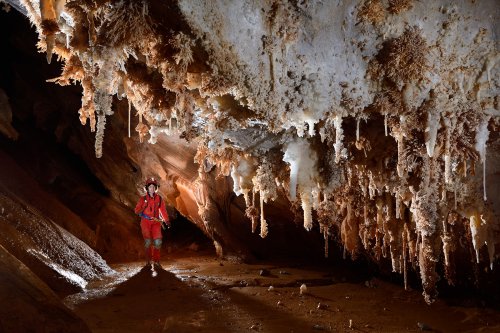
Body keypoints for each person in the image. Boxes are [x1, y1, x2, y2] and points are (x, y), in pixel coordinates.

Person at [134, 177, 170, 269]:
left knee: (158, 241)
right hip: (145, 222)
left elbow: (163, 210)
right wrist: (144, 206)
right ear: (147, 188)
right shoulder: (143, 199)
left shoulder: (159, 199)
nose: (152, 189)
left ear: (155, 188)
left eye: (153, 187)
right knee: (148, 242)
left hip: (156, 222)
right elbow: (136, 211)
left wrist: (167, 220)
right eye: (150, 187)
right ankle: (149, 261)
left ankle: (157, 261)